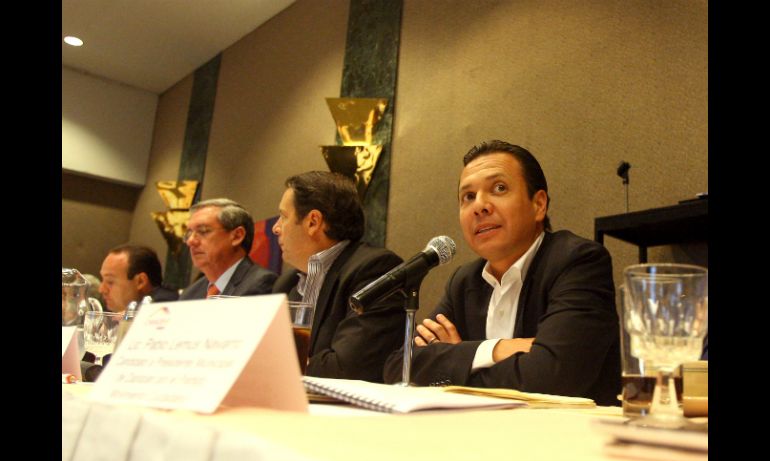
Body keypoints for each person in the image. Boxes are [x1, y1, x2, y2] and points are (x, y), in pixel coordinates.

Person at [383, 140, 620, 405]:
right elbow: (399, 367)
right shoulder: (464, 281)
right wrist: (497, 349)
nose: (479, 206)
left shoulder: (577, 261)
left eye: (499, 188)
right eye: (468, 196)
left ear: (538, 205)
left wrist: (457, 358)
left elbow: (553, 377)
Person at [271, 171, 405, 382]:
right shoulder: (286, 284)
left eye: (284, 217)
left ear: (313, 222)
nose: (276, 228)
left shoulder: (375, 270)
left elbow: (347, 368)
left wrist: (278, 365)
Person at [180, 198, 277, 299]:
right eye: (189, 233)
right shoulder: (190, 294)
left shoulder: (261, 284)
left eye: (203, 231)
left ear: (237, 236)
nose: (190, 241)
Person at [99, 244, 179, 312]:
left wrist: (131, 315)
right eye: (102, 280)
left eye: (110, 282)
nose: (101, 289)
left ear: (141, 281)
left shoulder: (166, 304)